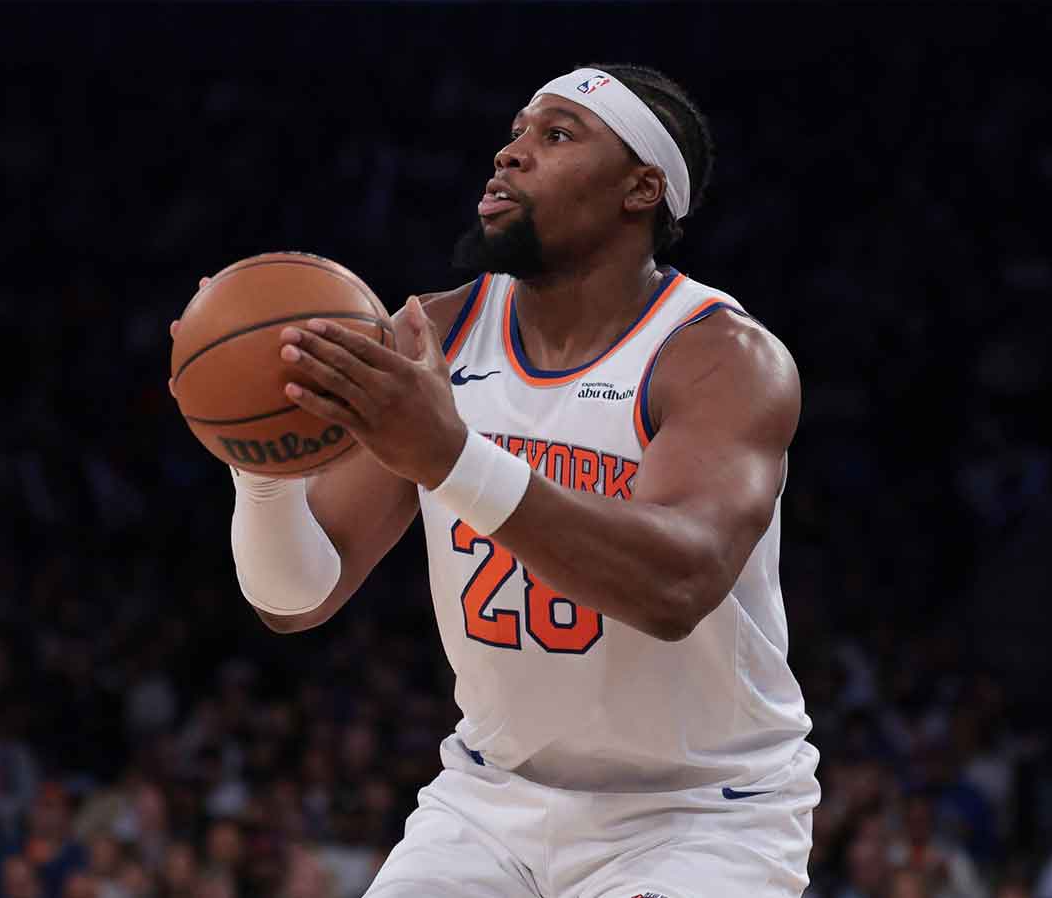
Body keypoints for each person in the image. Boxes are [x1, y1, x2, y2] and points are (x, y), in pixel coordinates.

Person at [171, 64, 818, 897]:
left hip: (700, 816)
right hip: (489, 799)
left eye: (555, 135)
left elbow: (678, 583)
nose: (510, 155)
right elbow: (297, 597)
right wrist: (256, 469)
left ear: (642, 188)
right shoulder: (431, 334)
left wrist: (450, 457)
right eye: (515, 132)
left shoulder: (719, 357)